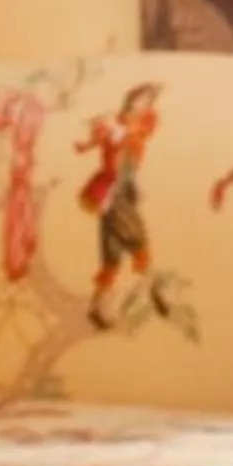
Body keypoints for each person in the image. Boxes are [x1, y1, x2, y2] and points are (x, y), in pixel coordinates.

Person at [76, 81, 162, 324]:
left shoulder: (140, 125)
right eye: (140, 99)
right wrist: (97, 134)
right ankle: (148, 287)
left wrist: (119, 131)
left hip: (124, 189)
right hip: (111, 190)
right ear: (131, 99)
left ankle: (102, 302)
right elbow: (99, 143)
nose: (143, 104)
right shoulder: (114, 125)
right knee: (133, 238)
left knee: (113, 247)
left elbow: (137, 135)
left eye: (148, 100)